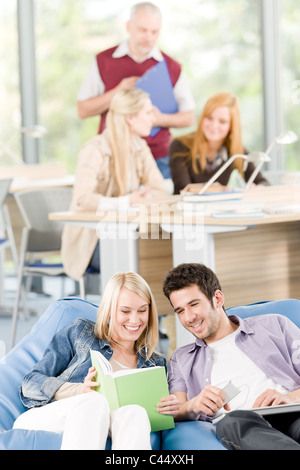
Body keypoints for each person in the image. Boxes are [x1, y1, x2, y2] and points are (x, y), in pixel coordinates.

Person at [13, 271, 179, 450]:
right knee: (94, 401)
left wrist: (171, 408)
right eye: (125, 311)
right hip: (51, 417)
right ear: (109, 309)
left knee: (136, 413)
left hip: (105, 423)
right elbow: (31, 383)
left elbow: (159, 417)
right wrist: (78, 390)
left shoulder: (156, 364)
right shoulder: (81, 332)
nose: (135, 319)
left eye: (142, 310)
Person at [158, 263, 300, 450]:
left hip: (292, 412)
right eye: (180, 311)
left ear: (217, 298)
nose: (189, 318)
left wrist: (290, 398)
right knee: (232, 422)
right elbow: (176, 409)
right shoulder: (182, 359)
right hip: (244, 424)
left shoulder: (275, 325)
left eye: (194, 304)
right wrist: (193, 404)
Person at [77, 2, 195, 178]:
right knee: (115, 205)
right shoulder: (103, 61)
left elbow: (189, 117)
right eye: (143, 30)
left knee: (159, 203)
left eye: (154, 32)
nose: (148, 37)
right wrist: (118, 92)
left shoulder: (171, 67)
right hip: (113, 156)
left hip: (158, 159)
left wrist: (159, 119)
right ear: (128, 26)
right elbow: (83, 110)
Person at [61, 87, 168, 283]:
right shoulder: (95, 149)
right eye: (148, 112)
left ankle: (158, 312)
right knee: (141, 251)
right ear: (130, 118)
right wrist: (126, 202)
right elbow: (82, 199)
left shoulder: (140, 147)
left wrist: (144, 198)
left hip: (126, 232)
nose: (153, 119)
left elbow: (159, 189)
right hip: (92, 243)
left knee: (162, 247)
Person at [169, 92, 269, 194]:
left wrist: (259, 187)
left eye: (222, 121)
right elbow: (183, 188)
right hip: (185, 208)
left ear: (231, 126)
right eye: (209, 118)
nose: (214, 126)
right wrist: (220, 190)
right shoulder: (180, 146)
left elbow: (262, 182)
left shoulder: (235, 150)